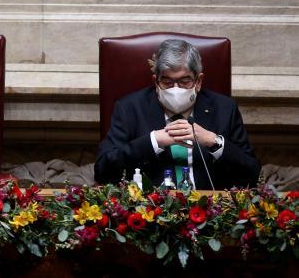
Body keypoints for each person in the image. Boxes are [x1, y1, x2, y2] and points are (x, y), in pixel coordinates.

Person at [95, 39, 260, 189]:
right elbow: (103, 171)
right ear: (155, 82)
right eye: (167, 82)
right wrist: (153, 141)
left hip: (210, 210)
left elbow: (253, 174)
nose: (176, 89)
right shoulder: (130, 108)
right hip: (149, 211)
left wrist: (214, 142)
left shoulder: (224, 108)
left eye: (184, 81)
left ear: (199, 81)